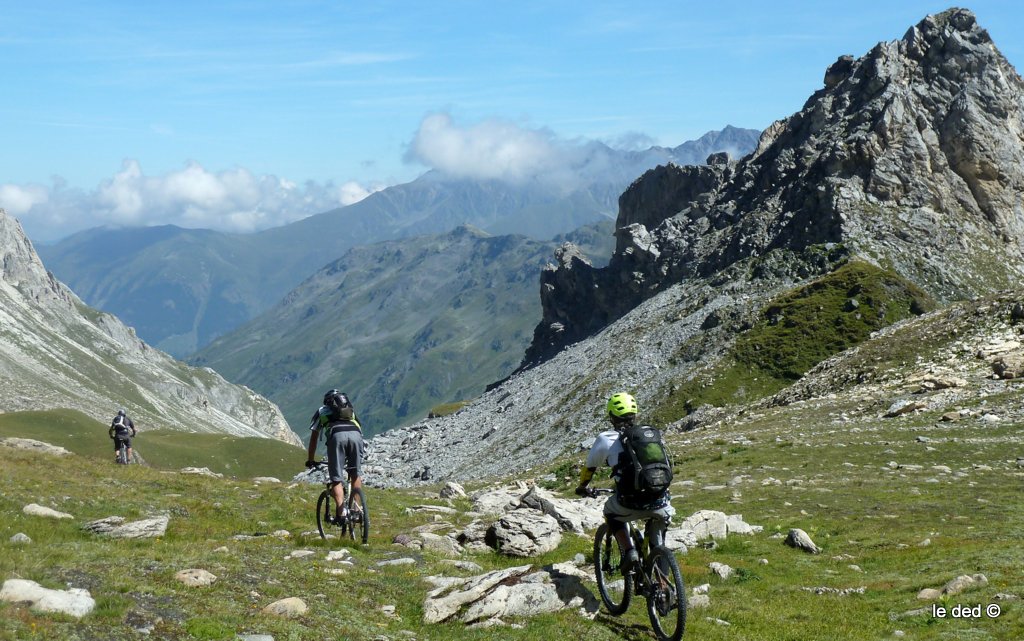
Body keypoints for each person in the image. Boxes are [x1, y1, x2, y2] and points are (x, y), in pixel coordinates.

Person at [575, 392, 675, 572]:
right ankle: (665, 588)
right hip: (660, 500)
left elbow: (589, 468)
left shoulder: (606, 439)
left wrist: (582, 487)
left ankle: (629, 552)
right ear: (635, 414)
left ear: (611, 416)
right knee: (658, 543)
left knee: (610, 513)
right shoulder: (650, 434)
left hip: (629, 502)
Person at [305, 389, 364, 523]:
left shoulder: (321, 411)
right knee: (355, 473)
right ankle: (356, 510)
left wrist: (310, 459)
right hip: (356, 436)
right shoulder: (350, 410)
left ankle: (342, 514)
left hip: (337, 436)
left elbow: (314, 438)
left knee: (336, 478)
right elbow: (359, 427)